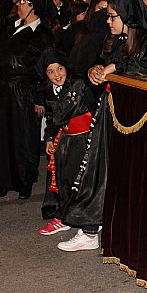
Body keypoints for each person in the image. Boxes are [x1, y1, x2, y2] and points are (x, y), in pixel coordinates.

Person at [58, 0, 147, 252]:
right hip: (110, 111)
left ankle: (97, 227)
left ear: (127, 17)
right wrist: (97, 69)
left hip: (137, 119)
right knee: (98, 168)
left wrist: (113, 68)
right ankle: (91, 226)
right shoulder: (114, 40)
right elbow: (101, 66)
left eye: (113, 16)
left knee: (115, 171)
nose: (107, 21)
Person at [0, 0, 55, 200]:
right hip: (0, 90)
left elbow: (48, 67)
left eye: (23, 1)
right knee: (0, 136)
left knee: (22, 137)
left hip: (23, 91)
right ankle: (3, 179)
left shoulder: (42, 34)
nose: (19, 4)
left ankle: (24, 181)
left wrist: (41, 98)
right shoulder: (11, 28)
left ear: (34, 6)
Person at [36, 48, 98, 235]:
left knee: (82, 181)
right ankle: (64, 215)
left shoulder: (78, 85)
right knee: (64, 179)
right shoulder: (50, 93)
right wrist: (48, 139)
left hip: (85, 139)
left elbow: (92, 110)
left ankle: (84, 218)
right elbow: (52, 119)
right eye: (51, 72)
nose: (57, 75)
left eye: (60, 69)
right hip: (65, 140)